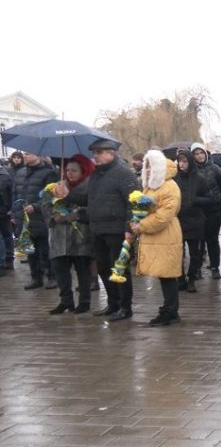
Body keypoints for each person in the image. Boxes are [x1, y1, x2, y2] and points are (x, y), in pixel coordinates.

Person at [58, 139, 140, 322]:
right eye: (94, 153)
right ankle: (113, 303)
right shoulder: (96, 174)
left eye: (99, 152)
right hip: (97, 228)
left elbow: (133, 203)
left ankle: (125, 307)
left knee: (119, 270)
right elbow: (88, 199)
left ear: (112, 153)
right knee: (103, 268)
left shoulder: (124, 173)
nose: (95, 156)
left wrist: (129, 228)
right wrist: (68, 195)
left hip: (117, 230)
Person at [131, 150, 183, 326]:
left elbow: (163, 216)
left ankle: (171, 311)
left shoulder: (169, 187)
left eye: (150, 167)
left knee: (168, 275)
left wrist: (142, 225)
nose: (146, 170)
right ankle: (168, 308)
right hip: (156, 236)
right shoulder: (152, 186)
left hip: (166, 235)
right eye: (145, 167)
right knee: (163, 275)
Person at [43, 156, 93, 314]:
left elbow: (92, 208)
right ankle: (66, 301)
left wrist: (76, 215)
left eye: (74, 170)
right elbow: (45, 204)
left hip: (80, 236)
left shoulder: (89, 186)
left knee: (82, 271)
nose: (70, 173)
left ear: (82, 171)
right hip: (58, 235)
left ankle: (84, 302)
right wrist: (53, 216)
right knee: (61, 271)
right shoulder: (56, 186)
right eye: (68, 170)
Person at [14, 151, 58, 289]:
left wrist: (36, 206)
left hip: (42, 217)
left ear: (37, 155)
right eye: (24, 153)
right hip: (25, 218)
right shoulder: (20, 173)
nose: (24, 156)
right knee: (30, 251)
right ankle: (36, 278)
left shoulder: (49, 173)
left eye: (27, 154)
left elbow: (51, 195)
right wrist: (14, 213)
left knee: (45, 250)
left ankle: (52, 277)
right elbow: (16, 194)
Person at [173, 149, 213, 293]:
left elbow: (210, 198)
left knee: (195, 253)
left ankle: (191, 278)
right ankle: (180, 278)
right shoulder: (174, 178)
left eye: (185, 161)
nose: (182, 164)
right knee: (178, 252)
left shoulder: (199, 179)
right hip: (178, 220)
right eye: (180, 161)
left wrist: (196, 200)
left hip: (195, 221)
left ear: (190, 162)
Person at [190, 143, 221, 281]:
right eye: (196, 153)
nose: (199, 156)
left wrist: (219, 205)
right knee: (198, 242)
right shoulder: (191, 171)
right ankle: (197, 268)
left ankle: (215, 267)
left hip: (213, 211)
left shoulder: (216, 169)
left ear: (205, 153)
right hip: (197, 211)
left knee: (212, 240)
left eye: (201, 153)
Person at [0, 158, 13, 274]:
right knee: (6, 235)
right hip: (4, 208)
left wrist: (10, 209)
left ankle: (5, 261)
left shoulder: (3, 175)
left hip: (4, 210)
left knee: (6, 235)